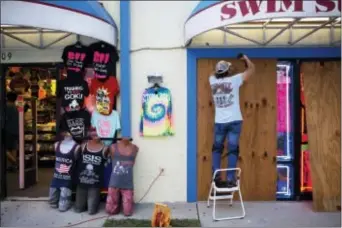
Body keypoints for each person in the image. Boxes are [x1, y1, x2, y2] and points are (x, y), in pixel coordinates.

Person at [209, 54, 255, 188]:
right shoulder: (235, 80)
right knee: (233, 149)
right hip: (235, 121)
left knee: (217, 149)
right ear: (228, 71)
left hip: (219, 122)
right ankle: (230, 179)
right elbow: (251, 70)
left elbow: (214, 72)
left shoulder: (212, 80)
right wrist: (246, 59)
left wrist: (222, 67)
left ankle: (216, 178)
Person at [74, 128, 109, 215]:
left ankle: (92, 204)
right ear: (90, 134)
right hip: (82, 182)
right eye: (93, 133)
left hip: (95, 184)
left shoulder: (105, 148)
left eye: (97, 133)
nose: (95, 135)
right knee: (78, 209)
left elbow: (108, 162)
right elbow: (75, 158)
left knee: (91, 211)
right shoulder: (83, 146)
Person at [106, 138, 139, 216]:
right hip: (114, 181)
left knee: (128, 212)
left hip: (127, 182)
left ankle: (123, 207)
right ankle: (115, 208)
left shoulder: (135, 148)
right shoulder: (113, 147)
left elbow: (133, 163)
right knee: (111, 211)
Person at [49, 131, 80, 212]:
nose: (66, 134)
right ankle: (55, 200)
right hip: (55, 179)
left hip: (67, 180)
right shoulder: (56, 145)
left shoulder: (76, 147)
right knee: (52, 203)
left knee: (62, 208)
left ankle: (65, 202)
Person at [5, 92, 19, 171]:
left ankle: (15, 163)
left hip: (8, 129)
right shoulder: (15, 106)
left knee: (4, 148)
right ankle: (13, 167)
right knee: (13, 148)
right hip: (16, 129)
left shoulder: (6, 107)